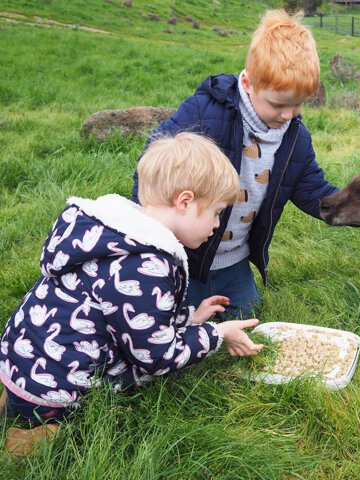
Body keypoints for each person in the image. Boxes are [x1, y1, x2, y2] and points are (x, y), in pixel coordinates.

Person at [0, 132, 264, 455]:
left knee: (23, 393)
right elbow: (156, 356)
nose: (217, 226)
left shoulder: (117, 234)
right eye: (217, 212)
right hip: (51, 386)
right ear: (185, 202)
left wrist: (190, 318)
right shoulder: (145, 265)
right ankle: (31, 435)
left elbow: (135, 316)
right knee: (68, 432)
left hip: (23, 357)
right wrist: (217, 333)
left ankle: (13, 398)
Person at [132, 9, 339, 319]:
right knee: (168, 322)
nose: (288, 114)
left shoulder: (296, 138)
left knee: (249, 316)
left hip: (234, 260)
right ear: (248, 82)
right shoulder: (204, 114)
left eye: (298, 104)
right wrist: (147, 235)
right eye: (278, 104)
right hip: (184, 254)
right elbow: (154, 165)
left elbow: (312, 189)